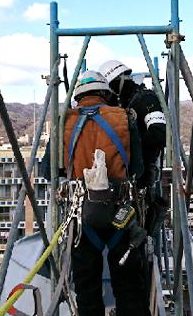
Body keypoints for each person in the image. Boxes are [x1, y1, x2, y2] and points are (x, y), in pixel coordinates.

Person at [63, 70, 149, 316]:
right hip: (119, 212)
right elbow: (138, 168)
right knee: (129, 288)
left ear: (78, 96)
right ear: (105, 93)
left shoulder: (64, 121)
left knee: (87, 290)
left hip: (81, 215)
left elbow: (51, 169)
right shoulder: (122, 117)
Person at [99, 60, 167, 236]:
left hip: (141, 180)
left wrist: (131, 145)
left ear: (120, 81)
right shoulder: (125, 104)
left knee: (134, 235)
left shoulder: (146, 99)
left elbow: (159, 134)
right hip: (128, 179)